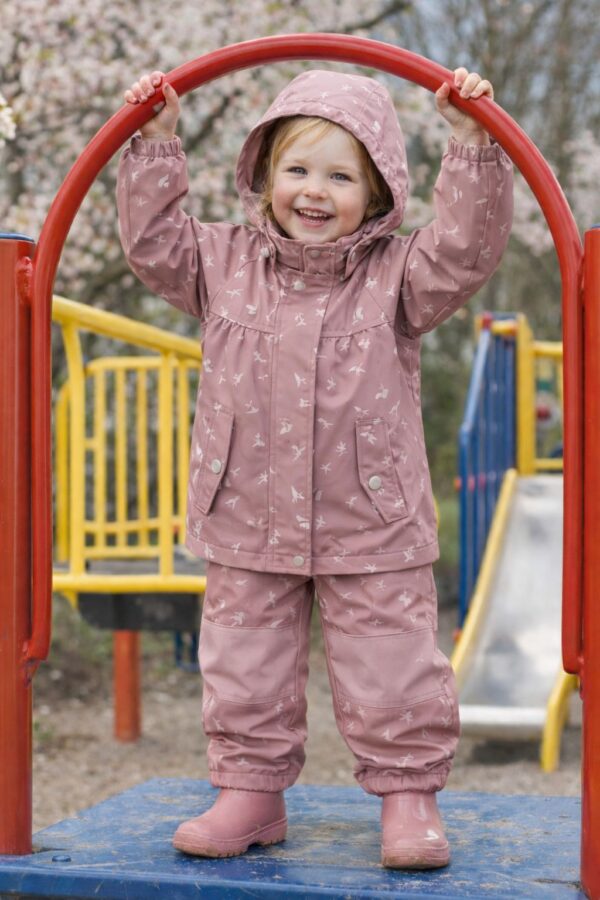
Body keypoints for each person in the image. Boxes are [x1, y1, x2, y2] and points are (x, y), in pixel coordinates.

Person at [118, 64, 513, 869]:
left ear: (378, 195)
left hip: (371, 513)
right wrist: (155, 145)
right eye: (297, 168)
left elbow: (466, 251)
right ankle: (250, 794)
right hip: (246, 508)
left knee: (392, 660)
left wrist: (473, 145)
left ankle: (408, 798)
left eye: (342, 176)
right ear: (264, 176)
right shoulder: (220, 264)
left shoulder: (399, 276)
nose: (314, 191)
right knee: (243, 659)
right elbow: (153, 247)